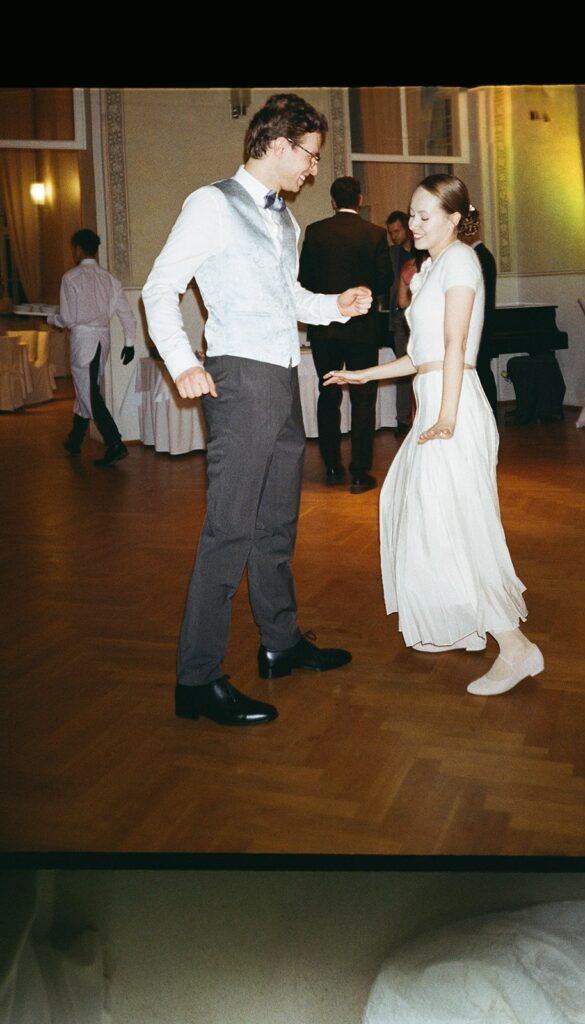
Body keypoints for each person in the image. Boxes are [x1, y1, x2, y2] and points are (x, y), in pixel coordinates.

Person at [142, 94, 372, 727]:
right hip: (240, 379)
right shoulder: (210, 204)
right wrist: (182, 362)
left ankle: (280, 642)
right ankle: (197, 680)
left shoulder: (287, 222)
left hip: (283, 375)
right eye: (310, 156)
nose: (313, 170)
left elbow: (287, 297)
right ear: (277, 144)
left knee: (276, 525)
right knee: (229, 530)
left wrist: (334, 307)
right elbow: (160, 288)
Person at [325, 175, 543, 697]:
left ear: (454, 218)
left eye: (426, 215)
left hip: (454, 407)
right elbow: (418, 357)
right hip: (437, 405)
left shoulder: (461, 261)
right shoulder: (432, 267)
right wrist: (364, 375)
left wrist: (445, 418)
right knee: (419, 512)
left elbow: (454, 345)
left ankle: (516, 649)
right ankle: (462, 623)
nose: (414, 224)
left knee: (460, 526)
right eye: (412, 214)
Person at [299, 176, 392, 493]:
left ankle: (332, 467)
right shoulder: (375, 234)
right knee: (364, 399)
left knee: (328, 395)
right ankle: (360, 472)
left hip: (325, 329)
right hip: (363, 329)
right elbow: (385, 279)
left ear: (333, 201)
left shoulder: (315, 232)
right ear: (360, 200)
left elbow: (304, 280)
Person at [48, 229, 136, 466]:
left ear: (77, 249)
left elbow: (67, 317)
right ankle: (75, 439)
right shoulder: (110, 279)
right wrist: (129, 342)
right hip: (102, 339)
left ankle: (115, 443)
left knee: (88, 392)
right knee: (87, 387)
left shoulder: (71, 278)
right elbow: (126, 313)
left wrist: (51, 319)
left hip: (83, 340)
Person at [461, 207, 498, 414]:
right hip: (480, 324)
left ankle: (488, 414)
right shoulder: (481, 256)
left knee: (482, 372)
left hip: (480, 325)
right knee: (480, 372)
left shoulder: (480, 257)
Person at [386, 211, 415, 437]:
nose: (393, 236)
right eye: (391, 232)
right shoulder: (391, 254)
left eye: (397, 231)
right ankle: (403, 419)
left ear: (407, 228)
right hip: (399, 318)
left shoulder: (422, 252)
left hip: (422, 315)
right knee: (403, 370)